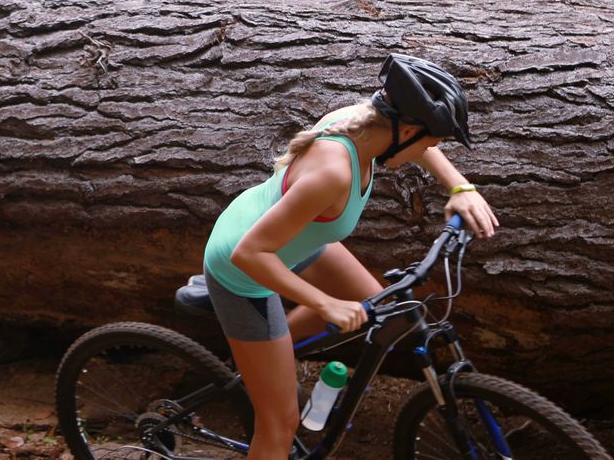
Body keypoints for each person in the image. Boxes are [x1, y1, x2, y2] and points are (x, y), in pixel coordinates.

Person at [202, 54, 499, 460]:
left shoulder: (366, 121)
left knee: (387, 311)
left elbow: (422, 147)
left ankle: (269, 356)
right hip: (244, 269)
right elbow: (249, 254)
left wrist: (461, 189)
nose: (429, 150)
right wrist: (325, 304)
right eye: (430, 140)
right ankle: (266, 367)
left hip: (297, 239)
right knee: (279, 427)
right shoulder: (334, 173)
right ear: (408, 129)